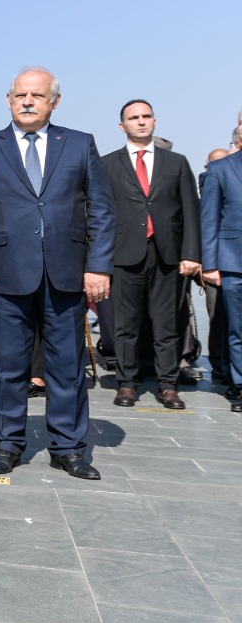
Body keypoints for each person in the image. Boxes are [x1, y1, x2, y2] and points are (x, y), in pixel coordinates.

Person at [0, 67, 115, 479]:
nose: (28, 102)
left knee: (67, 366)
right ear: (9, 100)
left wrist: (98, 265)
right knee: (7, 366)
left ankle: (68, 448)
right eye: (20, 95)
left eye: (37, 95)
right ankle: (7, 445)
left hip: (66, 275)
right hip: (5, 276)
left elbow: (101, 209)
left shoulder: (80, 145)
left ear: (54, 101)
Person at [102, 100, 202, 409]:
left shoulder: (177, 163)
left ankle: (168, 385)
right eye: (134, 118)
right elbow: (100, 214)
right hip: (124, 253)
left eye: (146, 116)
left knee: (166, 324)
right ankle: (127, 383)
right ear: (123, 126)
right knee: (126, 324)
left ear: (155, 122)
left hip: (167, 255)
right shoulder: (106, 164)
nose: (141, 122)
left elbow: (190, 211)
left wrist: (191, 254)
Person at [201, 140, 242, 410]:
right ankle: (240, 384)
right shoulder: (220, 168)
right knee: (237, 328)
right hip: (232, 261)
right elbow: (209, 218)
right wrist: (210, 264)